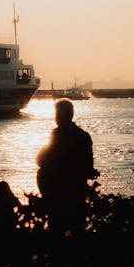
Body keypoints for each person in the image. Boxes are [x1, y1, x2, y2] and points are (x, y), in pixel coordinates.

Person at [36, 98, 98, 234]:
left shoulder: (57, 135)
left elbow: (40, 160)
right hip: (76, 192)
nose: (56, 118)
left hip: (57, 194)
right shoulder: (83, 136)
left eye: (57, 114)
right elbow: (88, 167)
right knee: (76, 229)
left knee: (57, 230)